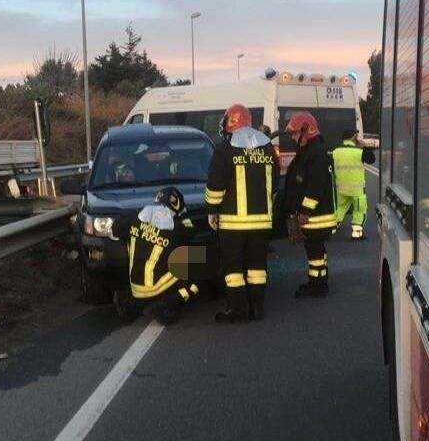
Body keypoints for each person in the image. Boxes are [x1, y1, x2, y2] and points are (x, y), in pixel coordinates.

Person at [206, 104, 277, 323]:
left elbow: (216, 187)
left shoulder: (225, 149)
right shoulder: (267, 148)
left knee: (233, 268)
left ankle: (237, 309)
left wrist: (212, 211)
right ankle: (256, 308)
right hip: (262, 223)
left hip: (233, 224)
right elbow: (274, 185)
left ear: (231, 121)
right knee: (257, 267)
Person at [111, 186, 199, 323]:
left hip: (136, 288)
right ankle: (164, 305)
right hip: (158, 290)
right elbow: (190, 232)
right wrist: (183, 213)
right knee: (198, 264)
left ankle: (129, 304)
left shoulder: (135, 218)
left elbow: (115, 229)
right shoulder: (175, 228)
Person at [283, 111, 337, 298]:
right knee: (316, 250)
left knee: (314, 250)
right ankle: (320, 278)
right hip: (314, 214)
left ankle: (317, 285)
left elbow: (316, 187)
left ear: (306, 131)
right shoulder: (310, 152)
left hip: (316, 216)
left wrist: (305, 211)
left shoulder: (316, 154)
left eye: (295, 133)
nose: (292, 137)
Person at [332, 129, 376, 240]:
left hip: (341, 189)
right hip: (357, 190)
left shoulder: (336, 152)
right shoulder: (359, 152)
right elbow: (371, 159)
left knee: (339, 210)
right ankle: (356, 235)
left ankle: (330, 230)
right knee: (359, 210)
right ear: (354, 137)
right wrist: (364, 146)